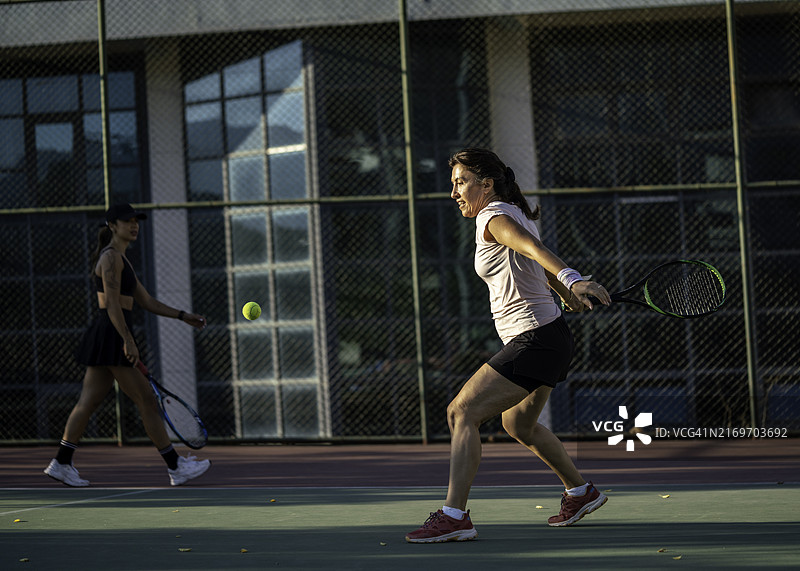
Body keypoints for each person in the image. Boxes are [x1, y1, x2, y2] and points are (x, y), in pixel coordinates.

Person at [406, 148, 612, 543]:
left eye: (461, 182)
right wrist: (563, 292)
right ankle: (580, 491)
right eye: (453, 183)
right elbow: (529, 258)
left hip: (534, 339)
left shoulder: (494, 216)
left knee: (461, 412)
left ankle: (454, 516)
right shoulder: (510, 214)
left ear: (486, 183)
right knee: (517, 422)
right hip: (551, 335)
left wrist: (571, 279)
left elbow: (534, 251)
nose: (454, 192)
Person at [44, 203, 211, 487]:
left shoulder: (122, 259)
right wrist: (127, 341)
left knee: (89, 401)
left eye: (136, 221)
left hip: (109, 332)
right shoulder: (111, 259)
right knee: (146, 399)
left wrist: (184, 316)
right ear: (112, 225)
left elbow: (147, 302)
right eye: (126, 221)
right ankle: (175, 467)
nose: (133, 225)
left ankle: (61, 462)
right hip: (111, 332)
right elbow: (111, 305)